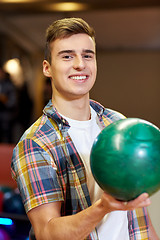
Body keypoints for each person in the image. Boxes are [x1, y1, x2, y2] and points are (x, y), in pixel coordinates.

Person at [11, 18, 159, 240]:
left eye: (88, 55)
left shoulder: (117, 124)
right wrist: (104, 207)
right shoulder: (34, 143)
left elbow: (141, 219)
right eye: (67, 56)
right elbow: (47, 233)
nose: (80, 64)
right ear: (47, 68)